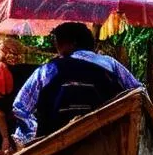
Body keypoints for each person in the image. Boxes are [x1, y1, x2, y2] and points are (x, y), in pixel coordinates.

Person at [11, 21, 141, 146]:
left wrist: (32, 137)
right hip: (107, 139)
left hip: (55, 146)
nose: (56, 47)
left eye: (58, 42)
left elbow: (20, 107)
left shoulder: (48, 70)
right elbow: (139, 93)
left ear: (72, 43)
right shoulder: (110, 64)